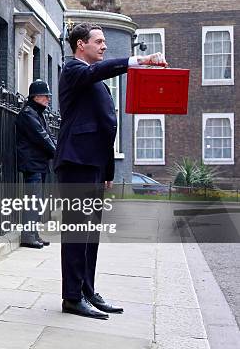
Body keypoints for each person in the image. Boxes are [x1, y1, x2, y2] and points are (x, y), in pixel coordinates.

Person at [54, 22, 166, 320]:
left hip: (92, 164)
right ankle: (72, 297)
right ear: (81, 45)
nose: (104, 46)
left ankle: (87, 290)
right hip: (76, 163)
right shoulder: (74, 70)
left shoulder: (95, 81)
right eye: (99, 41)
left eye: (104, 41)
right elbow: (97, 72)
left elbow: (105, 126)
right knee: (77, 233)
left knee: (90, 233)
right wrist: (138, 61)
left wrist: (107, 170)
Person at [15, 80, 56, 249]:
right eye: (45, 96)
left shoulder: (38, 113)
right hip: (32, 164)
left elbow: (48, 135)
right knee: (33, 201)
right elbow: (42, 137)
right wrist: (57, 152)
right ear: (36, 97)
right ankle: (28, 235)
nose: (48, 99)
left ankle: (34, 233)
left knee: (38, 201)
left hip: (39, 163)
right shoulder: (28, 114)